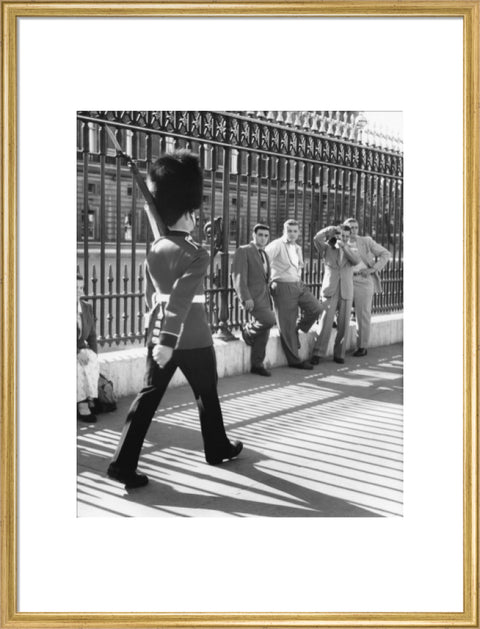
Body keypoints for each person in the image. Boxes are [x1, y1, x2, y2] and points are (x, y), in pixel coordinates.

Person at [107, 150, 242, 489]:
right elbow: (181, 299)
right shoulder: (197, 253)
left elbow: (152, 291)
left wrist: (159, 336)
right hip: (192, 338)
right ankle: (216, 446)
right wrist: (169, 341)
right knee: (207, 394)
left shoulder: (155, 248)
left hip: (158, 336)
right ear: (186, 213)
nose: (197, 217)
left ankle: (123, 463)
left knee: (147, 399)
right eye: (193, 212)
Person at [265, 218, 323, 370]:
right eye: (289, 231)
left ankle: (298, 328)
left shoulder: (297, 247)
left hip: (298, 284)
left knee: (316, 308)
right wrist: (268, 279)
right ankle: (294, 360)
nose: (292, 234)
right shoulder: (277, 244)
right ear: (284, 231)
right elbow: (263, 259)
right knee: (286, 324)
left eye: (295, 231)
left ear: (299, 232)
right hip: (283, 286)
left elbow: (298, 266)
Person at [310, 225, 361, 365]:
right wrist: (329, 230)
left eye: (346, 235)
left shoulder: (352, 250)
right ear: (336, 235)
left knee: (343, 324)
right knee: (325, 322)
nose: (343, 237)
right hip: (330, 290)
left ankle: (339, 353)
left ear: (349, 237)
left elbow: (356, 261)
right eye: (340, 235)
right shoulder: (326, 248)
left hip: (346, 291)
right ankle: (318, 353)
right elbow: (316, 238)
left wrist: (344, 246)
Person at [343, 217, 392, 356]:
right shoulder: (341, 242)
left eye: (356, 227)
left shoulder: (366, 241)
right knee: (338, 307)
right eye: (350, 227)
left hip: (363, 280)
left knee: (363, 314)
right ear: (344, 229)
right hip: (346, 280)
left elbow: (386, 254)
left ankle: (362, 346)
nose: (353, 230)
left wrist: (373, 269)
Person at [231, 223, 276, 377]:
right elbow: (238, 276)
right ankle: (248, 332)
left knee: (265, 331)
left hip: (265, 297)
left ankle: (257, 364)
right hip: (252, 298)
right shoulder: (244, 251)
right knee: (269, 320)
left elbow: (264, 278)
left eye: (266, 236)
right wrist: (245, 298)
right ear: (253, 235)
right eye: (260, 235)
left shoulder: (264, 254)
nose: (263, 238)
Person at [77, 272, 99, 423]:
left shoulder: (86, 307)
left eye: (81, 287)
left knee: (91, 359)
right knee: (77, 366)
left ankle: (90, 397)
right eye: (75, 287)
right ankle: (82, 403)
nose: (79, 290)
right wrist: (77, 352)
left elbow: (92, 334)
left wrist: (94, 353)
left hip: (81, 348)